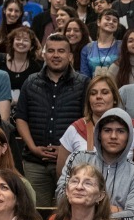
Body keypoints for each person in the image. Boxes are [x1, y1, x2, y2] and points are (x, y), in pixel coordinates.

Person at [16, 33, 89, 204]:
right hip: (35, 162)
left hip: (72, 163)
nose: (56, 55)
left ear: (70, 56)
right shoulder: (31, 82)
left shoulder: (83, 83)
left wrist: (66, 151)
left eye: (61, 51)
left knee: (69, 212)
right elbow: (21, 118)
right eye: (51, 51)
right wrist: (33, 148)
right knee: (36, 214)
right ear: (44, 54)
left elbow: (87, 121)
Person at [58, 108, 134, 220]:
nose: (113, 136)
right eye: (107, 130)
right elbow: (62, 196)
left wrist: (86, 211)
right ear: (99, 134)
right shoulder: (78, 158)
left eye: (120, 131)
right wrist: (112, 210)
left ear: (129, 137)